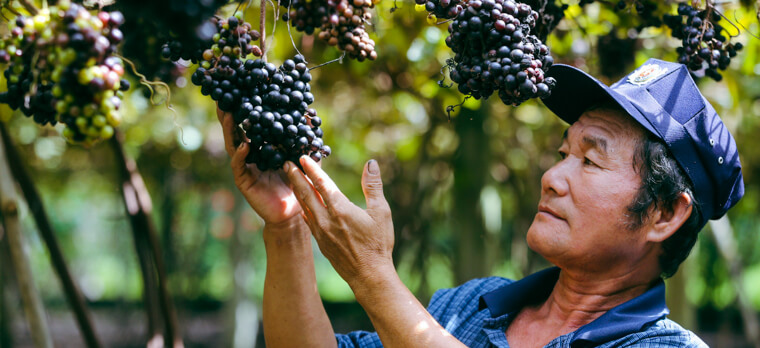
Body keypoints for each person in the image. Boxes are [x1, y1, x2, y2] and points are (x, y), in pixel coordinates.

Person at [216, 58, 744, 347]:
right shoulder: (472, 307)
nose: (553, 176)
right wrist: (287, 227)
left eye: (590, 160)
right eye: (563, 152)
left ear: (664, 214)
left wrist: (374, 276)